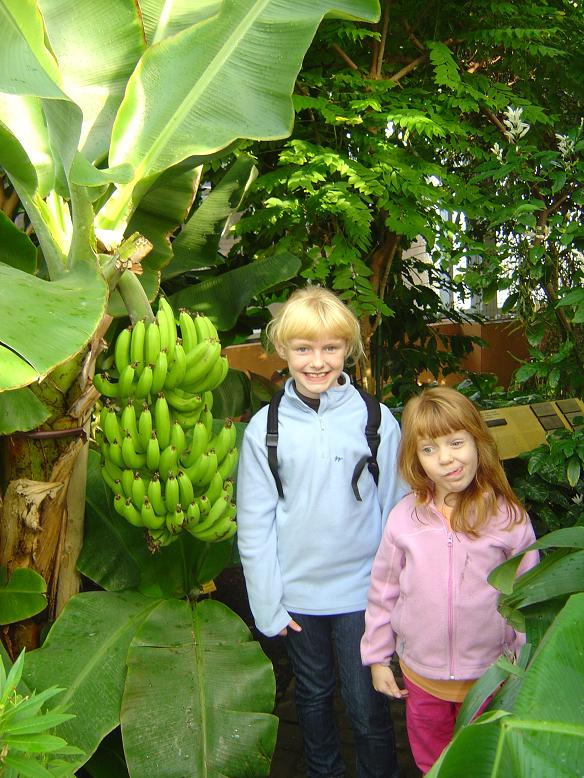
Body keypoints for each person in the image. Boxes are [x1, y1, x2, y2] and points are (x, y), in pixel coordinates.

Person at [236, 286, 408, 778]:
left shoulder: (375, 420)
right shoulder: (264, 428)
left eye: (331, 348)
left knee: (365, 703)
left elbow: (397, 512)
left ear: (348, 351)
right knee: (311, 696)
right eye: (303, 348)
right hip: (297, 598)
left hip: (363, 593)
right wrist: (268, 604)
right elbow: (254, 525)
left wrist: (396, 596)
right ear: (282, 350)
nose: (317, 362)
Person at [360, 386, 539, 775]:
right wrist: (377, 658)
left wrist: (527, 662)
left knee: (484, 762)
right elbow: (383, 592)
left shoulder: (508, 519)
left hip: (491, 679)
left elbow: (527, 597)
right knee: (433, 765)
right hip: (422, 679)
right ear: (415, 458)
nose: (446, 459)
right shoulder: (405, 519)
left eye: (456, 442)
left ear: (477, 440)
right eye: (429, 449)